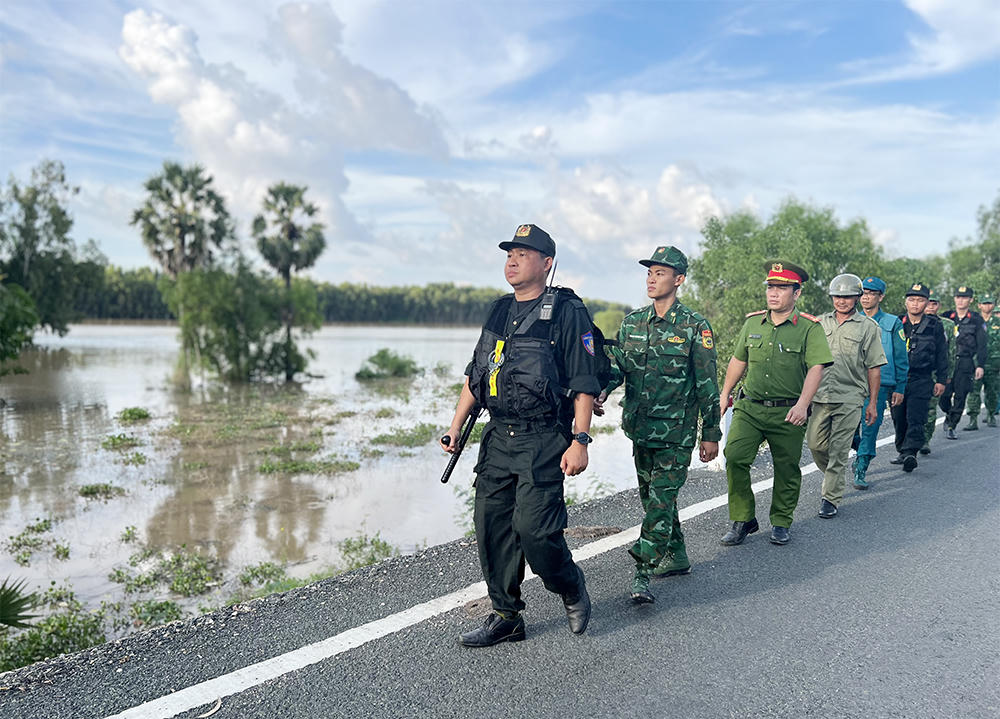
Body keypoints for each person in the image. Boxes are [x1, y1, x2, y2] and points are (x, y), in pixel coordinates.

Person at [442, 223, 600, 648]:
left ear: (546, 263)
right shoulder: (498, 311)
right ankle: (506, 616)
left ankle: (569, 584)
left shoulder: (567, 312)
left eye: (523, 254)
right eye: (509, 254)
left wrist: (580, 440)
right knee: (491, 527)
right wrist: (455, 426)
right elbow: (477, 375)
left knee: (536, 532)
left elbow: (584, 382)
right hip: (498, 437)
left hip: (542, 437)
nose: (512, 261)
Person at [594, 246, 721, 603]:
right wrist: (600, 391)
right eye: (649, 272)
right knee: (653, 498)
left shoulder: (695, 326)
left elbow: (707, 384)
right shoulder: (633, 323)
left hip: (676, 433)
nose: (651, 278)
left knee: (660, 502)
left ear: (679, 280)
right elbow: (620, 367)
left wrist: (710, 434)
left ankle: (642, 572)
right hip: (640, 428)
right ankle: (676, 556)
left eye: (660, 273)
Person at [718, 261, 833, 546]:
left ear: (797, 293)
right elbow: (739, 360)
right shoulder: (752, 323)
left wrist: (803, 404)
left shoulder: (809, 328)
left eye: (782, 288)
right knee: (735, 456)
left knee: (786, 467)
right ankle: (743, 518)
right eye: (771, 287)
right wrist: (725, 394)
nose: (773, 293)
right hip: (750, 408)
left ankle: (781, 521)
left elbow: (817, 367)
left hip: (788, 411)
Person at [807, 274, 886, 518]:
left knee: (839, 449)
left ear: (857, 298)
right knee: (816, 445)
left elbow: (874, 367)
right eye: (837, 297)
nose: (841, 301)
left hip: (850, 397)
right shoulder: (818, 323)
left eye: (848, 297)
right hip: (821, 395)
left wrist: (872, 403)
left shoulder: (868, 327)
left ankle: (830, 498)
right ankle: (836, 474)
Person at [853, 276, 908, 487]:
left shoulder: (892, 323)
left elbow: (901, 357)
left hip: (880, 382)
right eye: (863, 293)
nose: (866, 297)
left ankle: (861, 467)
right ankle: (861, 450)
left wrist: (900, 387)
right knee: (846, 428)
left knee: (870, 426)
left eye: (871, 293)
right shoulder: (852, 319)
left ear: (881, 297)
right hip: (851, 382)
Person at [889, 283, 948, 471]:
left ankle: (910, 453)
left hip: (922, 378)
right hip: (898, 379)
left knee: (916, 416)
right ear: (905, 302)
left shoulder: (935, 325)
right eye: (912, 299)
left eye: (920, 300)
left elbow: (942, 353)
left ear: (926, 303)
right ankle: (902, 450)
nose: (915, 304)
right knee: (898, 417)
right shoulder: (897, 323)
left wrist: (941, 379)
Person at [940, 286, 987, 436]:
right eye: (958, 297)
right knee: (943, 395)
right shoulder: (947, 317)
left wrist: (980, 365)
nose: (961, 300)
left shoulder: (976, 319)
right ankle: (948, 413)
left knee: (961, 395)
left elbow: (982, 344)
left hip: (965, 362)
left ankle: (952, 425)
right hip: (947, 362)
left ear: (970, 300)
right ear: (954, 298)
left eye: (964, 297)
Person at [921, 290, 956, 452]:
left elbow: (951, 351)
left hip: (935, 373)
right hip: (915, 372)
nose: (930, 307)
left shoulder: (947, 325)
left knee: (930, 407)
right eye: (928, 303)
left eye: (934, 304)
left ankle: (925, 440)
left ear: (939, 306)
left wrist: (948, 374)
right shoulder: (913, 321)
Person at [966, 293, 998, 427]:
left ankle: (991, 414)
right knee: (973, 391)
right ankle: (973, 419)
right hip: (975, 362)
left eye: (989, 303)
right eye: (984, 303)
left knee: (992, 391)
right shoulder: (972, 321)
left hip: (994, 363)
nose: (987, 306)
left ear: (994, 305)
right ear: (979, 305)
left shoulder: (998, 322)